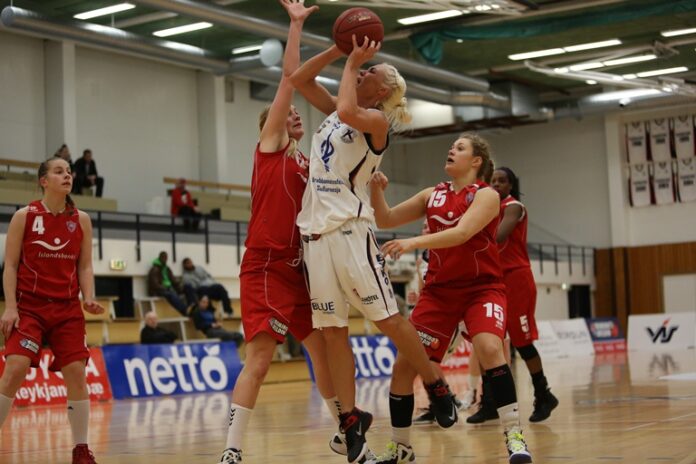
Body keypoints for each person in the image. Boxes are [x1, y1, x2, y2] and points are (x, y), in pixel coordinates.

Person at [289, 35, 456, 463]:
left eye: (371, 71)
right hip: (315, 237)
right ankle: (349, 421)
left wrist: (350, 63)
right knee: (332, 332)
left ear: (382, 91)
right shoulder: (337, 110)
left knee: (388, 320)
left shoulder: (377, 122)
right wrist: (336, 49)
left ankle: (434, 383)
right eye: (362, 68)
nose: (363, 70)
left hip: (351, 232)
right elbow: (298, 79)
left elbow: (349, 110)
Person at [217, 3, 347, 464]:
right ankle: (232, 450)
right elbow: (290, 80)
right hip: (266, 266)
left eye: (296, 114)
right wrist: (296, 27)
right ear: (270, 125)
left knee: (322, 352)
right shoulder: (270, 148)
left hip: (300, 270)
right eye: (286, 112)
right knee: (260, 358)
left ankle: (344, 433)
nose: (294, 115)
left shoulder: (309, 164)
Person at [367, 133, 532, 464]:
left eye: (459, 148)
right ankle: (401, 446)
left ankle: (514, 436)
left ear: (476, 161)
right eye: (452, 146)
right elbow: (384, 219)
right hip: (439, 292)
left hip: (481, 288)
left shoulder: (486, 195)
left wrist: (413, 242)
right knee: (403, 365)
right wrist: (375, 189)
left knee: (489, 348)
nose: (451, 150)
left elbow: (462, 233)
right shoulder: (432, 194)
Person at [0, 155, 104, 464]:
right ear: (44, 181)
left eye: (69, 171)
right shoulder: (24, 216)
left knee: (77, 373)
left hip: (67, 309)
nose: (67, 175)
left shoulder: (81, 219)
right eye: (59, 172)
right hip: (30, 308)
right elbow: (10, 266)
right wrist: (10, 307)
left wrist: (89, 296)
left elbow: (85, 266)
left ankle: (81, 449)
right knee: (15, 369)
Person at [467, 166, 557, 424]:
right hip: (492, 278)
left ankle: (543, 393)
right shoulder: (486, 208)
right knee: (486, 340)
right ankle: (490, 402)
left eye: (502, 181)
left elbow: (498, 236)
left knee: (521, 340)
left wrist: (464, 236)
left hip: (516, 279)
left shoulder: (514, 206)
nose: (496, 184)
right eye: (493, 180)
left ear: (511, 185)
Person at [147, 251, 190, 315]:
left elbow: (173, 279)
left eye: (166, 258)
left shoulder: (167, 268)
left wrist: (179, 284)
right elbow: (154, 284)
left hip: (168, 288)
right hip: (157, 291)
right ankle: (184, 310)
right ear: (160, 258)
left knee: (188, 287)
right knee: (171, 294)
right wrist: (165, 288)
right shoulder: (154, 269)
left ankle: (192, 307)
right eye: (163, 258)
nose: (165, 259)